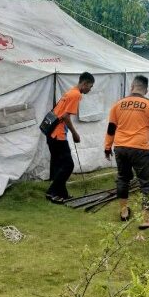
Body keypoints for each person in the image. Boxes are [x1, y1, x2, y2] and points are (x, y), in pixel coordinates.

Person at [104, 75, 149, 230]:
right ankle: (146, 219)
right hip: (140, 149)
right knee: (147, 183)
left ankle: (124, 212)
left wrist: (107, 147)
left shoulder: (118, 104)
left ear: (132, 87)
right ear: (146, 90)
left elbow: (111, 128)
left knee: (123, 178)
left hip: (120, 147)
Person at [46, 72, 95, 203]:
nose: (90, 89)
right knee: (68, 165)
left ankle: (62, 194)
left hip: (51, 134)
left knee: (59, 165)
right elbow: (66, 117)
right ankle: (52, 192)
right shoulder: (76, 94)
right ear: (84, 83)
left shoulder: (70, 91)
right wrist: (75, 134)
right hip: (58, 135)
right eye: (90, 86)